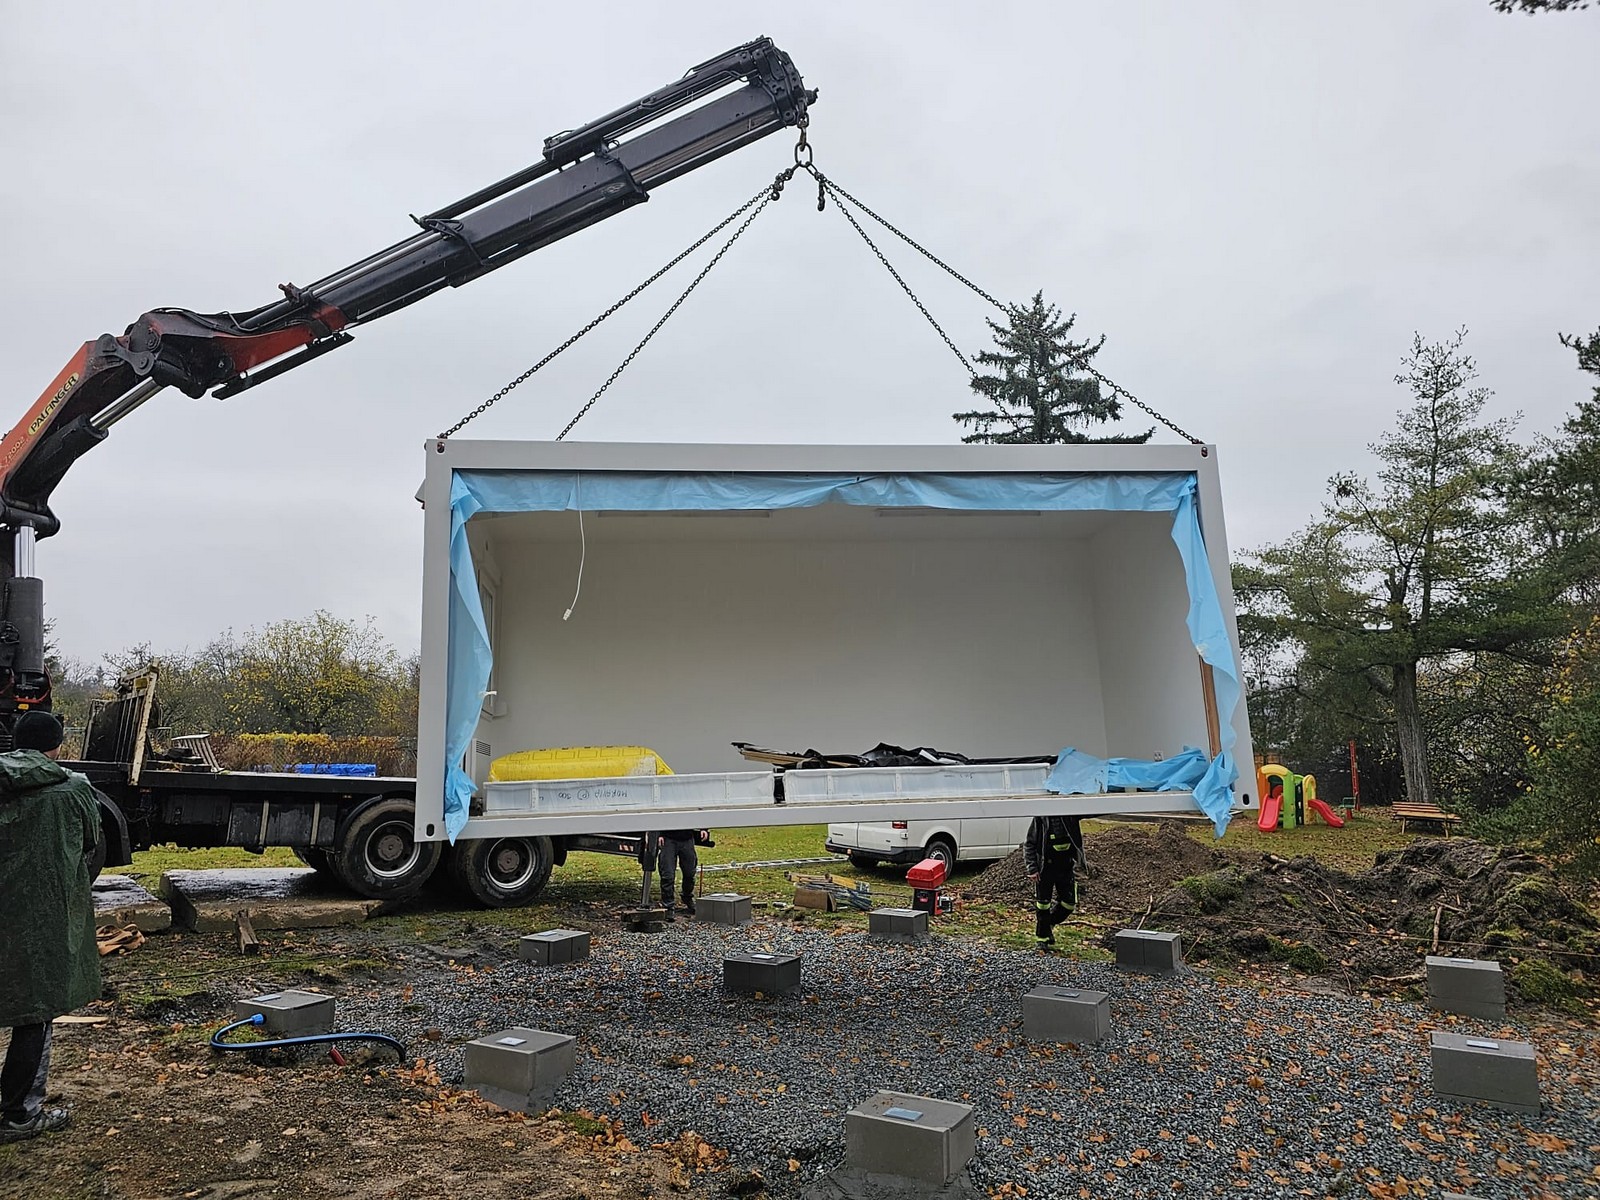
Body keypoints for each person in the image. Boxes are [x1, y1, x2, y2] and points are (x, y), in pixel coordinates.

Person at [0, 710, 102, 1144]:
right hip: (40, 920)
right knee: (35, 1011)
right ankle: (20, 1114)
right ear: (56, 746)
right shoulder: (73, 788)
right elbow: (91, 841)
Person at [1023, 814, 1084, 953]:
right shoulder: (1041, 818)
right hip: (1046, 868)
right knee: (1043, 904)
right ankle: (1042, 939)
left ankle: (1049, 923)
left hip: (1066, 867)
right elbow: (1030, 844)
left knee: (1069, 903)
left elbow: (1090, 811)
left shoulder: (1071, 815)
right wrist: (1032, 868)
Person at [657, 829, 703, 920]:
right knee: (667, 875)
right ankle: (668, 906)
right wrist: (659, 834)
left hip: (687, 838)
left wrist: (703, 829)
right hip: (667, 838)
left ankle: (687, 897)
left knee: (690, 873)